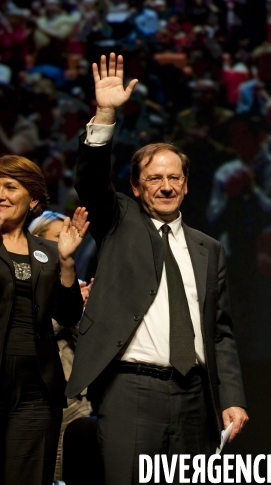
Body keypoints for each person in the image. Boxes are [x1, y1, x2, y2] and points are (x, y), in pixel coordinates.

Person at [66, 53, 248, 485]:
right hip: (132, 391)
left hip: (195, 398)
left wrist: (233, 398)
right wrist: (106, 114)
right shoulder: (118, 223)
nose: (165, 186)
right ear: (135, 186)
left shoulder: (209, 248)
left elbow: (219, 331)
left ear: (186, 185)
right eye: (153, 179)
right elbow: (91, 181)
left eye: (174, 178)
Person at [0, 154, 87, 485]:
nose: (1, 194)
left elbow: (67, 314)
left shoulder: (47, 252)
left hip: (37, 388)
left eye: (11, 186)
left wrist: (66, 262)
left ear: (33, 198)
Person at [28, 209, 93, 482]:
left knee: (75, 470)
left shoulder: (76, 283)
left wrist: (82, 310)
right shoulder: (23, 281)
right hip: (33, 396)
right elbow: (29, 333)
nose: (65, 243)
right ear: (38, 241)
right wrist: (64, 312)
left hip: (75, 398)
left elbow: (88, 346)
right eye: (57, 237)